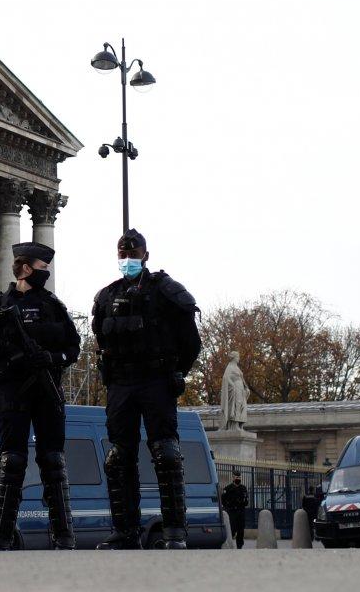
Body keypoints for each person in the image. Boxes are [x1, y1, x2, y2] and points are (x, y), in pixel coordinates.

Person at [0, 242, 81, 550]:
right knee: (12, 461)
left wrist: (52, 360)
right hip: (11, 391)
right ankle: (2, 536)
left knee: (53, 460)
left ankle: (63, 535)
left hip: (46, 390)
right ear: (26, 268)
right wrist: (4, 348)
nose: (46, 273)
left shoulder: (53, 305)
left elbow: (73, 347)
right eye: (42, 268)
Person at [91, 229, 201, 550]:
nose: (127, 259)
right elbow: (101, 340)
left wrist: (178, 372)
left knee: (165, 454)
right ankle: (125, 531)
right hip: (121, 384)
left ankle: (174, 532)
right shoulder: (106, 297)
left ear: (145, 256)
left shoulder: (165, 291)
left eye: (133, 254)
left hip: (156, 380)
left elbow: (191, 342)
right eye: (122, 255)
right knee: (118, 458)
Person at [223, 472, 249, 549]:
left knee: (241, 530)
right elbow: (223, 500)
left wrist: (242, 502)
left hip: (241, 511)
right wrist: (229, 505)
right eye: (236, 477)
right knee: (232, 529)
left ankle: (239, 546)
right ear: (233, 478)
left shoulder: (243, 488)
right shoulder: (228, 488)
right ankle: (230, 542)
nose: (238, 479)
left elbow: (246, 500)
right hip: (232, 512)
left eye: (239, 477)